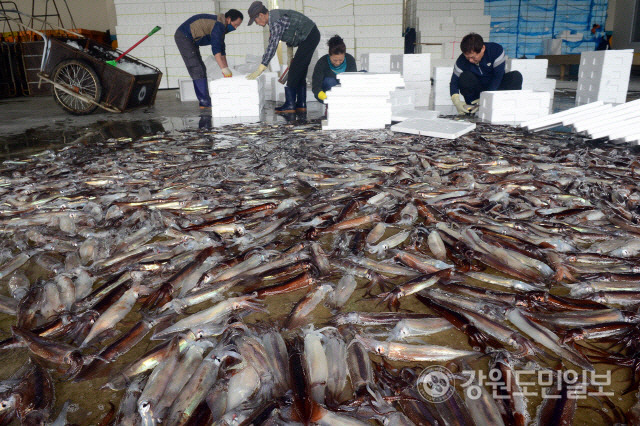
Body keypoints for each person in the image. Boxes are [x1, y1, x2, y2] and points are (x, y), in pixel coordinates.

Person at [246, 1, 320, 113]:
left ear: (260, 15)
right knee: (300, 71)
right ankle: (301, 104)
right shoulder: (274, 19)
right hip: (310, 35)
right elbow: (291, 33)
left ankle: (290, 105)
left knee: (294, 71)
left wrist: (262, 66)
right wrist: (290, 56)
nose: (256, 23)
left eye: (255, 20)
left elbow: (272, 46)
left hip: (310, 36)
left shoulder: (275, 21)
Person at [175, 10, 243, 109]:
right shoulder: (218, 25)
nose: (235, 28)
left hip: (191, 40)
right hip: (184, 36)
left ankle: (205, 100)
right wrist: (223, 69)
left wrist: (227, 68)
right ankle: (204, 102)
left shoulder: (222, 27)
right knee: (196, 68)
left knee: (201, 68)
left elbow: (222, 50)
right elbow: (216, 50)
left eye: (238, 26)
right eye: (235, 24)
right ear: (228, 19)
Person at [449, 33, 522, 115]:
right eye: (467, 57)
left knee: (516, 76)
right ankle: (472, 108)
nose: (470, 60)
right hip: (477, 93)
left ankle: (507, 107)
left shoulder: (496, 50)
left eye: (473, 57)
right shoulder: (461, 61)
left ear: (483, 48)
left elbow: (498, 76)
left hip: (496, 88)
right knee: (465, 77)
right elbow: (454, 82)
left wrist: (486, 98)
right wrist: (456, 101)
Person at [311, 35, 357, 103]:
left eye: (341, 60)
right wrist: (325, 97)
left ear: (344, 54)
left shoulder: (350, 60)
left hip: (346, 92)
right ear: (329, 55)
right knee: (329, 81)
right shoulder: (322, 62)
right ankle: (329, 106)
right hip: (328, 94)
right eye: (335, 60)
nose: (338, 63)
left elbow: (353, 81)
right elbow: (316, 87)